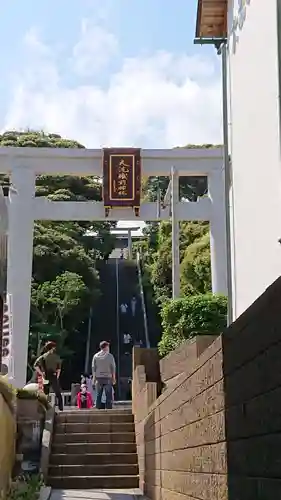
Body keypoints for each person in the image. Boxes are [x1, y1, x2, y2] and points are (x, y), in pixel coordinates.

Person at [34, 341, 63, 411]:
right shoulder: (56, 357)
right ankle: (60, 408)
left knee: (45, 393)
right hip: (53, 375)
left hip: (46, 376)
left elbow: (35, 366)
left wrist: (41, 373)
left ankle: (44, 407)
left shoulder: (43, 357)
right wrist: (57, 377)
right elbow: (59, 369)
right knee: (58, 393)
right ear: (52, 348)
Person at [92, 341, 116, 410]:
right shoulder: (110, 356)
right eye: (108, 346)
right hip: (108, 377)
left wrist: (94, 379)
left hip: (98, 378)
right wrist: (114, 378)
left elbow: (94, 368)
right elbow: (113, 368)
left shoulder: (95, 356)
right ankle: (108, 409)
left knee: (98, 395)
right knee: (108, 395)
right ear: (105, 347)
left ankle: (98, 409)